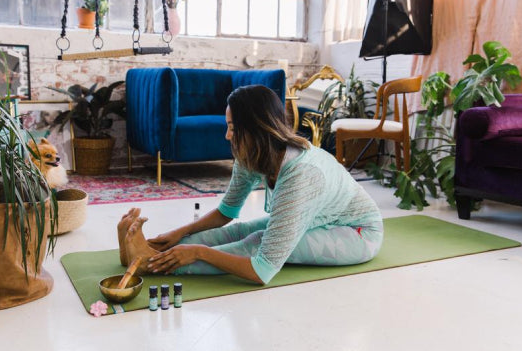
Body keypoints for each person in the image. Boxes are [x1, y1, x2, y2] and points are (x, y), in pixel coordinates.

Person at [118, 85, 384, 285]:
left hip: (356, 233)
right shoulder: (253, 155)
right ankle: (151, 252)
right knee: (241, 230)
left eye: (233, 127)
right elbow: (226, 214)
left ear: (258, 129)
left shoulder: (302, 175)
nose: (227, 135)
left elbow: (262, 270)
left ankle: (149, 263)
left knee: (257, 241)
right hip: (316, 220)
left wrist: (199, 252)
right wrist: (180, 232)